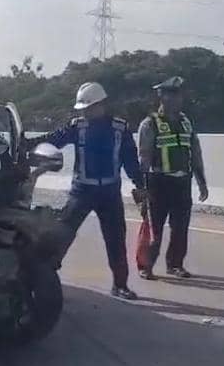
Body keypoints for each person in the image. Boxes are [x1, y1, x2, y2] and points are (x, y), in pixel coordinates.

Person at [23, 81, 144, 300]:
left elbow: (130, 160)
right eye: (83, 109)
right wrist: (26, 144)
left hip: (110, 194)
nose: (86, 112)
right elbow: (53, 139)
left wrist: (141, 184)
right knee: (61, 235)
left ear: (102, 105)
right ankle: (42, 281)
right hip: (81, 192)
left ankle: (120, 285)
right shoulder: (77, 127)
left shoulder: (120, 128)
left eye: (89, 108)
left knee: (116, 240)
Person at [136, 76, 209, 280]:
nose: (178, 99)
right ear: (162, 96)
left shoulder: (186, 122)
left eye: (180, 95)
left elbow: (195, 153)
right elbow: (144, 157)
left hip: (182, 183)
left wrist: (201, 182)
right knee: (153, 229)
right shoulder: (149, 124)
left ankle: (175, 265)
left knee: (180, 227)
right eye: (173, 95)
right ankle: (145, 266)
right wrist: (141, 187)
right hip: (158, 182)